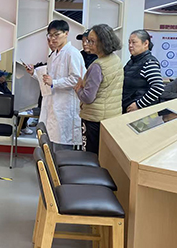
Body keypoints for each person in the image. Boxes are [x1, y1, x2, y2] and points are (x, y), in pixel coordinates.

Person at [35, 20, 86, 151]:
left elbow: (77, 79)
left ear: (66, 33)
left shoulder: (72, 53)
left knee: (63, 147)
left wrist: (55, 82)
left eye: (56, 34)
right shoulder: (53, 55)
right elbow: (49, 77)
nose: (53, 38)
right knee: (51, 143)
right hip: (54, 104)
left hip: (66, 106)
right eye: (50, 35)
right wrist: (36, 73)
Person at [75, 24, 123, 154]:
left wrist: (78, 89)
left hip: (94, 118)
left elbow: (88, 97)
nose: (88, 44)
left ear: (103, 42)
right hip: (111, 116)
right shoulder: (116, 60)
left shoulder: (97, 66)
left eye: (91, 41)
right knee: (104, 155)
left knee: (90, 155)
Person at [122, 30, 165, 113]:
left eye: (134, 42)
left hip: (140, 112)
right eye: (129, 42)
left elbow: (158, 87)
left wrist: (139, 104)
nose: (130, 45)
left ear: (146, 43)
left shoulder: (149, 62)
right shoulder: (132, 61)